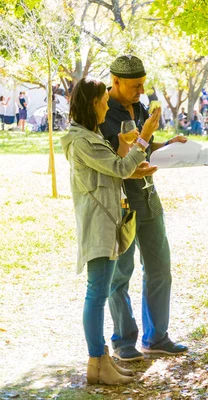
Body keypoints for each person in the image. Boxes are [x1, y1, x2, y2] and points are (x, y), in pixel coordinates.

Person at [61, 77, 152, 385]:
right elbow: (119, 169)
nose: (106, 105)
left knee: (98, 292)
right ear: (91, 104)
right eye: (102, 101)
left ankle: (100, 362)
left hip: (107, 222)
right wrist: (143, 140)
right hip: (98, 225)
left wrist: (131, 160)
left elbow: (114, 167)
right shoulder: (82, 140)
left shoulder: (90, 135)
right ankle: (97, 362)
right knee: (96, 294)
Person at [99, 55, 188, 362]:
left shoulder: (137, 108)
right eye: (135, 86)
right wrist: (147, 135)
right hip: (121, 203)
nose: (140, 91)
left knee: (160, 267)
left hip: (150, 198)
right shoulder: (101, 111)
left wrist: (167, 145)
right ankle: (124, 340)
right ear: (116, 82)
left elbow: (144, 148)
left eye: (142, 85)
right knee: (121, 273)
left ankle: (157, 337)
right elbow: (117, 161)